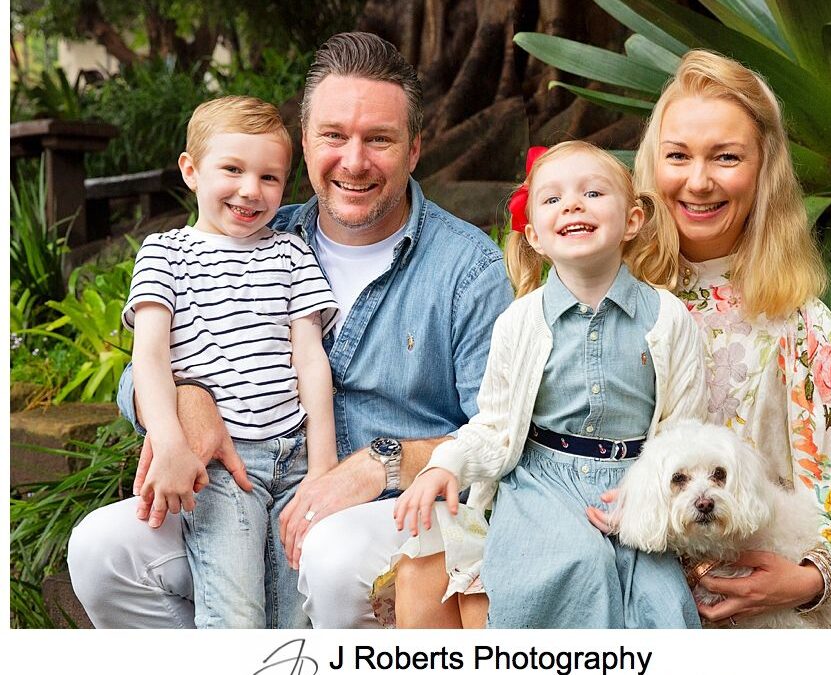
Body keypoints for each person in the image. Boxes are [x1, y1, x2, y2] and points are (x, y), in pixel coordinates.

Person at [66, 32, 514, 629]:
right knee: (103, 550)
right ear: (305, 142)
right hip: (246, 487)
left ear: (414, 151)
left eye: (378, 139)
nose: (353, 161)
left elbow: (502, 435)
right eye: (334, 135)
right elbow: (140, 371)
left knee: (329, 555)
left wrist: (379, 462)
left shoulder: (467, 268)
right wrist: (187, 399)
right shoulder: (259, 236)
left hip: (393, 512)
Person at [590, 49, 831, 628]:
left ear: (765, 170)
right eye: (678, 156)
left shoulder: (804, 330)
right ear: (650, 165)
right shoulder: (600, 302)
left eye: (726, 157)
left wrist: (806, 582)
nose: (699, 181)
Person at [389, 141, 709, 628]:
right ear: (535, 235)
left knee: (660, 604)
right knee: (580, 565)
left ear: (633, 220)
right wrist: (446, 464)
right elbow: (495, 425)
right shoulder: (520, 323)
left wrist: (648, 494)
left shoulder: (667, 318)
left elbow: (683, 429)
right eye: (553, 199)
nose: (573, 205)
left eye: (593, 192)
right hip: (544, 485)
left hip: (635, 486)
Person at [125, 95, 339, 628]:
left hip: (294, 458)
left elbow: (310, 360)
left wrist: (323, 469)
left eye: (270, 177)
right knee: (235, 614)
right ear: (191, 170)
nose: (251, 190)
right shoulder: (165, 253)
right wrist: (172, 441)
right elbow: (149, 357)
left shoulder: (290, 253)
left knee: (296, 614)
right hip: (224, 466)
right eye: (233, 170)